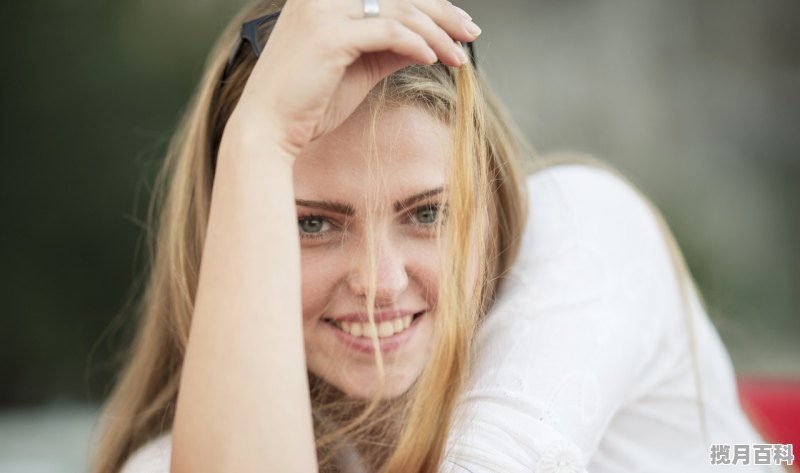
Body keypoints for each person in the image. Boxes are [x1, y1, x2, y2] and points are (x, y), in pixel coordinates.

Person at [91, 0, 777, 472]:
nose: (380, 280)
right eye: (312, 222)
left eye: (426, 213)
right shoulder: (185, 451)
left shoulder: (582, 230)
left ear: (490, 202)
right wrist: (257, 142)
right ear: (235, 231)